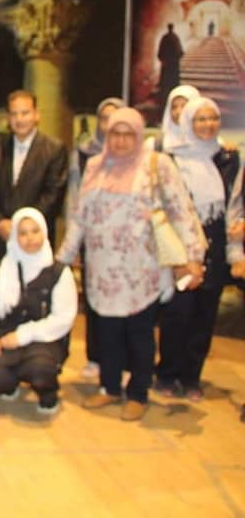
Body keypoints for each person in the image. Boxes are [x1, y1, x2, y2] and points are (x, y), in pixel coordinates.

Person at [56, 108, 205, 421]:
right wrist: (64, 257)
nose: (121, 141)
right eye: (115, 133)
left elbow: (181, 210)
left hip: (142, 270)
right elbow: (80, 216)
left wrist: (193, 256)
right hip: (102, 269)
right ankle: (109, 387)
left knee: (139, 335)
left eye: (128, 134)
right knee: (107, 333)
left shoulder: (156, 165)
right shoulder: (96, 166)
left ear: (139, 136)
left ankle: (138, 392)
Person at [156, 97, 241, 401]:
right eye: (200, 119)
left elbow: (235, 202)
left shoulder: (228, 158)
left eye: (212, 118)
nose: (207, 125)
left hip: (216, 242)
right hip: (182, 243)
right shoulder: (173, 158)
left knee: (205, 314)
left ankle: (191, 377)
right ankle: (167, 374)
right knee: (178, 313)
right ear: (188, 122)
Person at [0, 208, 76, 415]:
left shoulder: (59, 272)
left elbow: (63, 318)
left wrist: (23, 335)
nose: (30, 238)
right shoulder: (3, 268)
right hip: (7, 338)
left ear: (44, 232)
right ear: (14, 237)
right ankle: (10, 383)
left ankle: (48, 394)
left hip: (44, 342)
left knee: (39, 370)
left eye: (35, 231)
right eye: (22, 233)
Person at [65, 97, 125, 378]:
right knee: (94, 298)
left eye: (116, 118)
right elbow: (74, 199)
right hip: (93, 240)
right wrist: (74, 242)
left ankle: (123, 360)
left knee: (125, 302)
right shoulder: (84, 155)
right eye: (104, 118)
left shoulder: (137, 156)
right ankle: (96, 356)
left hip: (127, 244)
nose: (109, 124)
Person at [0, 90, 68, 266]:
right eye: (14, 114)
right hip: (1, 238)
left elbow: (53, 195)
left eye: (25, 113)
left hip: (35, 238)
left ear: (36, 115)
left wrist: (24, 226)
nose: (19, 119)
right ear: (8, 118)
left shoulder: (54, 149)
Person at [144, 84, 200, 153]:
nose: (178, 112)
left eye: (184, 106)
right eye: (174, 107)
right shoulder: (153, 145)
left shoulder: (208, 145)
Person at [157, 23, 184, 95]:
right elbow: (179, 48)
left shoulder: (165, 37)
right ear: (172, 28)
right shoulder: (175, 37)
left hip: (167, 60)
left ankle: (166, 88)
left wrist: (161, 57)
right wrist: (179, 55)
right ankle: (172, 86)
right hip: (173, 60)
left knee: (167, 75)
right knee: (173, 74)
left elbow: (161, 48)